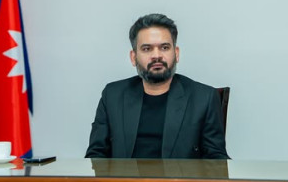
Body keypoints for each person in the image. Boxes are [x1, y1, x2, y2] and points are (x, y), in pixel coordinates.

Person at [85, 13, 229, 159]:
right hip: (125, 175)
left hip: (179, 175)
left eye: (164, 47)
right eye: (147, 49)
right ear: (133, 57)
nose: (157, 55)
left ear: (176, 54)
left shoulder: (204, 98)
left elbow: (217, 161)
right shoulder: (112, 95)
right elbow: (96, 156)